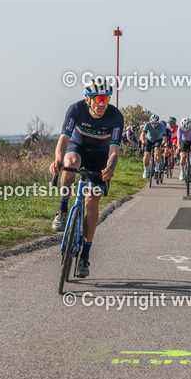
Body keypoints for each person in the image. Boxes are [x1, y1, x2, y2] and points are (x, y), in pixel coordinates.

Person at [50, 76, 124, 278]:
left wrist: (110, 167)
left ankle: (85, 256)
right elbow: (63, 139)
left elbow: (114, 150)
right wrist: (58, 160)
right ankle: (63, 209)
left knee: (92, 204)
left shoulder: (116, 116)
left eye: (106, 99)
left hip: (101, 157)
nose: (102, 104)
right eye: (98, 99)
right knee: (70, 163)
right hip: (79, 147)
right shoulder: (76, 110)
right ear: (88, 99)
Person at [139, 114, 169, 180]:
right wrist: (143, 142)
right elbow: (143, 134)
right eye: (152, 123)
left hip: (158, 139)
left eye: (155, 123)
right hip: (149, 139)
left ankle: (157, 167)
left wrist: (163, 143)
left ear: (158, 122)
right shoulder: (147, 124)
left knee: (157, 151)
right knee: (146, 154)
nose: (153, 125)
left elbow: (164, 137)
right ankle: (145, 170)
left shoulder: (162, 126)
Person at [176, 117, 191, 182]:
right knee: (183, 156)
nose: (186, 131)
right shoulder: (180, 128)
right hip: (184, 141)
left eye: (188, 129)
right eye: (185, 129)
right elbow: (179, 139)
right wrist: (178, 147)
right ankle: (182, 172)